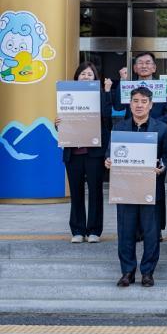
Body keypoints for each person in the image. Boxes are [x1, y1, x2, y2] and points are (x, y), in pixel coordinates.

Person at [106, 87, 167, 287]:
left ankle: (147, 272)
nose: (139, 105)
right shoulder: (119, 128)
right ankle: (127, 271)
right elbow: (109, 152)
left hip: (151, 188)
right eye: (135, 101)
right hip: (125, 188)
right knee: (125, 232)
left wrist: (163, 165)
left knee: (151, 233)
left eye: (144, 101)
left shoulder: (161, 128)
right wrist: (108, 160)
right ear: (130, 104)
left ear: (151, 105)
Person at [113, 52, 167, 239]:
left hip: (157, 139)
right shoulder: (128, 86)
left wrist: (150, 124)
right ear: (134, 67)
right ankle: (136, 230)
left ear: (154, 67)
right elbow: (118, 106)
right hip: (131, 139)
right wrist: (122, 82)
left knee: (156, 186)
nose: (144, 66)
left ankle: (155, 230)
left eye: (148, 63)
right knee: (132, 183)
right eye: (140, 63)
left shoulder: (163, 87)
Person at [55, 62, 114, 244]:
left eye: (90, 74)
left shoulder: (100, 95)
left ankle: (94, 230)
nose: (86, 77)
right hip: (73, 154)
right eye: (83, 74)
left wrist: (106, 91)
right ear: (77, 77)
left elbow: (107, 118)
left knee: (96, 192)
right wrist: (58, 124)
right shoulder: (67, 95)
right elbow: (66, 123)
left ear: (95, 78)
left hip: (94, 153)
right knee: (76, 193)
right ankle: (78, 230)